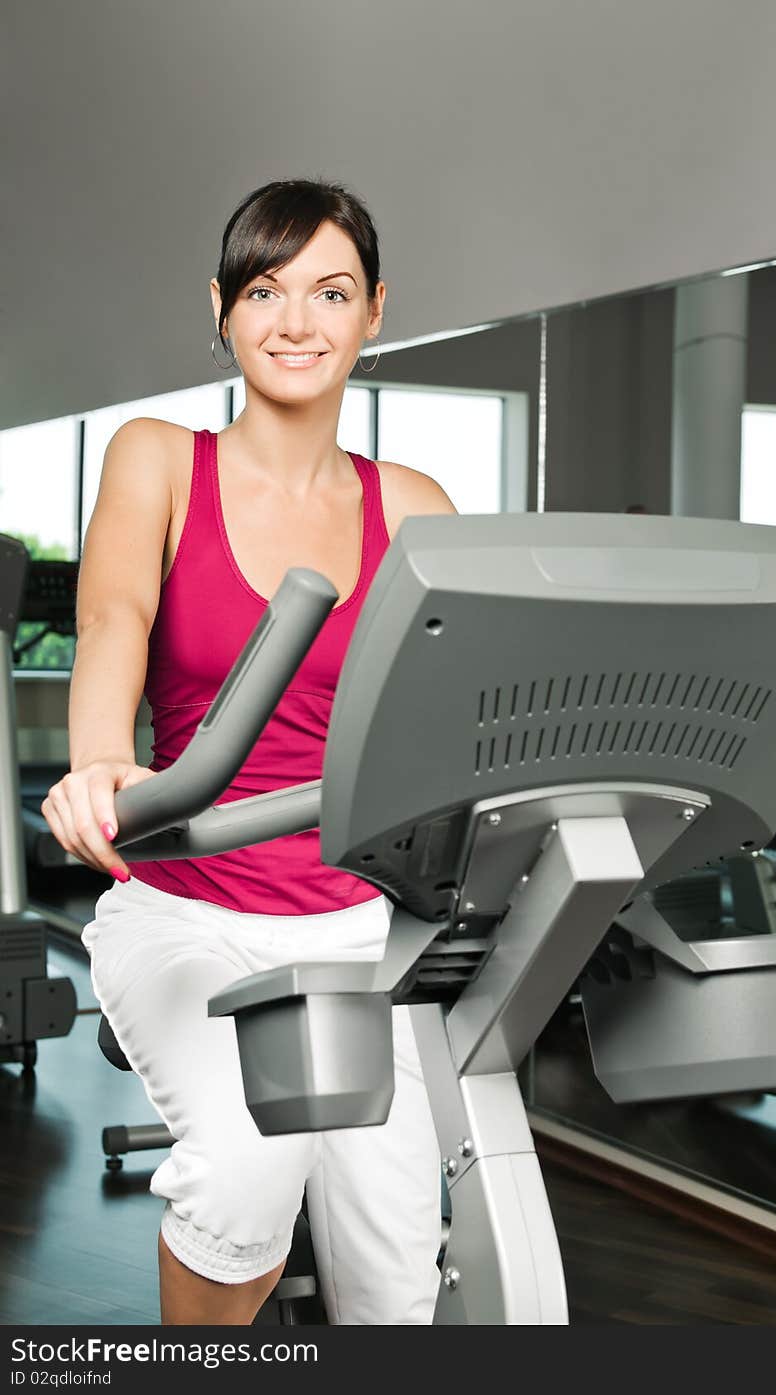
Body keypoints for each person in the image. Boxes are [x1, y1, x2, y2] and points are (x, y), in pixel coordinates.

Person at [42, 178, 456, 1325]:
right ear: (221, 308)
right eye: (266, 290)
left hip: (358, 932)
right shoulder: (158, 458)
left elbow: (464, 697)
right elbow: (112, 616)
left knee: (393, 1271)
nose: (296, 320)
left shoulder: (414, 504)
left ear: (374, 312)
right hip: (187, 911)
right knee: (245, 1165)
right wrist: (97, 764)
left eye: (330, 292)